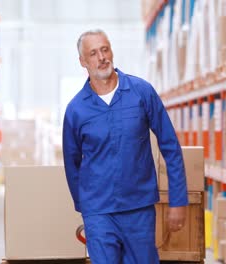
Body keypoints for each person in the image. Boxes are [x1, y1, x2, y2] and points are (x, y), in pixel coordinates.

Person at [62, 29, 188, 264]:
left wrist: (178, 199)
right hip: (98, 211)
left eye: (105, 49)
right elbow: (72, 164)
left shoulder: (141, 92)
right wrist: (86, 208)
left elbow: (170, 146)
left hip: (138, 208)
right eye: (93, 53)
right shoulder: (76, 110)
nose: (101, 57)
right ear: (83, 62)